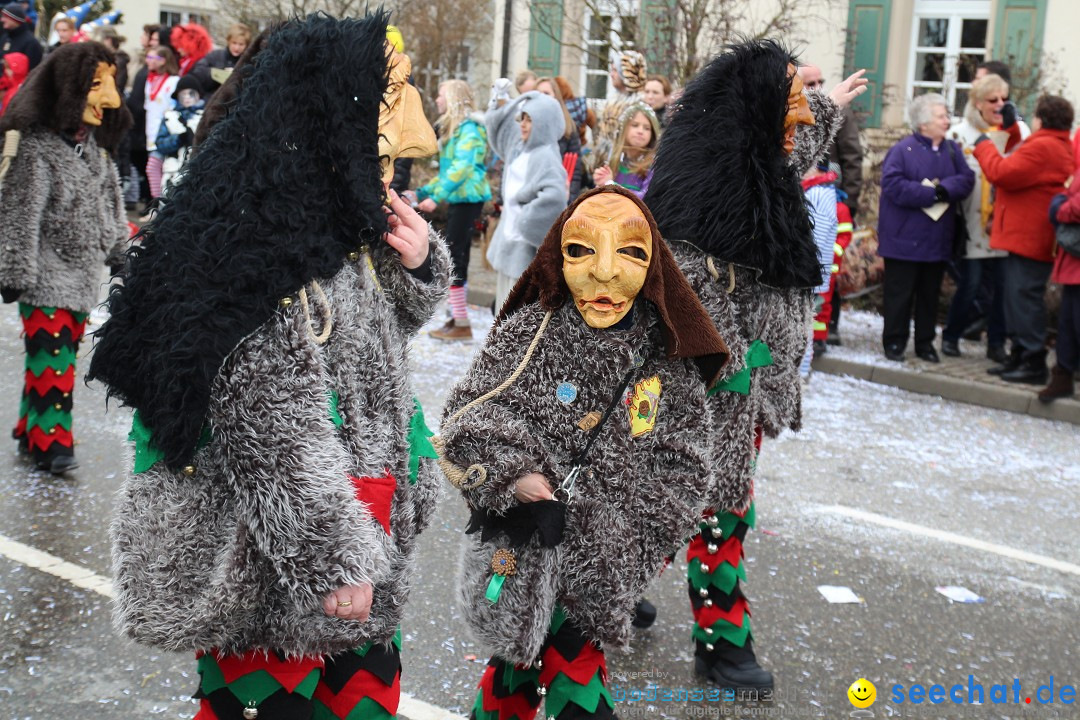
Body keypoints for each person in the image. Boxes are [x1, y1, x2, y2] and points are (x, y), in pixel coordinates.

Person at [87, 13, 449, 719]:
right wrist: (336, 563)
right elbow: (269, 428)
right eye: (387, 99)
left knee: (362, 701)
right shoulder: (249, 238)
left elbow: (362, 344)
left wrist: (414, 266)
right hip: (281, 568)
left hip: (357, 525)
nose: (407, 131)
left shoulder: (327, 216)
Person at [437, 185, 728, 720]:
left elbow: (686, 465)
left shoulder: (664, 358)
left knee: (569, 670)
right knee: (517, 662)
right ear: (557, 256)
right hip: (525, 547)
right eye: (581, 251)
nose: (604, 272)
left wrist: (633, 540)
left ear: (653, 267)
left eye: (631, 253)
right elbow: (468, 416)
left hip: (604, 557)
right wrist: (514, 476)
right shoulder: (529, 332)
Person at [646, 39, 865, 690]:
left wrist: (828, 108)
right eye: (793, 90)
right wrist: (737, 367)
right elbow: (685, 289)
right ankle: (595, 609)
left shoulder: (753, 158)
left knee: (724, 511)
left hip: (749, 380)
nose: (802, 104)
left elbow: (783, 154)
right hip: (698, 384)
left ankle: (720, 639)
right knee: (677, 504)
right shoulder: (702, 184)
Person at [0, 42, 130, 475]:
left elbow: (110, 204)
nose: (109, 99)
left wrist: (119, 252)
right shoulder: (37, 151)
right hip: (44, 278)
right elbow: (21, 214)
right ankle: (52, 444)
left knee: (53, 357)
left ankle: (27, 427)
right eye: (96, 84)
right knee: (55, 364)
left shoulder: (94, 149)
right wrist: (14, 271)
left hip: (80, 280)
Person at [974, 95, 1075, 383]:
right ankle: (1020, 354)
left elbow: (1002, 172)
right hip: (1030, 235)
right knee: (1017, 298)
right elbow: (1021, 154)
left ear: (1041, 119)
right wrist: (1013, 128)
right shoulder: (1052, 143)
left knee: (1024, 298)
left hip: (1030, 237)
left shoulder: (1045, 146)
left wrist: (983, 146)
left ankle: (1032, 361)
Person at [877, 93, 974, 363]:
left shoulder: (952, 149)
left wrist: (944, 190)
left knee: (930, 296)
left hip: (937, 239)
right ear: (923, 123)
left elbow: (966, 179)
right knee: (900, 295)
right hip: (903, 239)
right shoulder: (902, 150)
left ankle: (925, 344)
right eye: (942, 116)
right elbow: (893, 185)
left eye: (946, 115)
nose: (947, 120)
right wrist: (929, 194)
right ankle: (894, 342)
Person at [941, 74, 1029, 362]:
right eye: (993, 100)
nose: (1000, 104)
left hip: (1006, 223)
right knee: (970, 286)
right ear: (977, 103)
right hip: (971, 224)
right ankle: (951, 337)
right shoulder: (959, 132)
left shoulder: (1020, 131)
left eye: (1004, 98)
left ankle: (996, 344)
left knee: (1004, 289)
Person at [403, 79, 492, 341]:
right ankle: (457, 320)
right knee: (455, 259)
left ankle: (460, 322)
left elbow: (461, 169)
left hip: (468, 200)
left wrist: (437, 197)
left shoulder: (470, 131)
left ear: (453, 98)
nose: (437, 100)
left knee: (454, 258)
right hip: (460, 200)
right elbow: (446, 174)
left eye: (441, 95)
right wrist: (421, 193)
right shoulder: (456, 131)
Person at [484, 88, 568, 310]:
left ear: (545, 124)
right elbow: (498, 133)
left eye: (530, 120)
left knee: (514, 310)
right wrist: (500, 102)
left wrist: (526, 220)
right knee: (502, 307)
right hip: (509, 239)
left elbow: (555, 196)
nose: (522, 124)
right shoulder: (520, 149)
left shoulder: (546, 157)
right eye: (522, 118)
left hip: (523, 248)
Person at [1041, 177, 1080, 401]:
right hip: (1074, 260)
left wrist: (1061, 208)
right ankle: (1062, 377)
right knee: (1068, 323)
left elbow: (1072, 205)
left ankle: (1063, 376)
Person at [589, 50, 647, 172]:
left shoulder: (638, 107)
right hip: (605, 169)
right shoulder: (613, 101)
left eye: (615, 70)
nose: (611, 74)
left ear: (627, 74)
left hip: (624, 170)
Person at [592, 100, 659, 199]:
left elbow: (645, 198)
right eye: (635, 125)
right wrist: (601, 182)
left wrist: (611, 185)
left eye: (646, 128)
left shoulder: (653, 164)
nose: (640, 131)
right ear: (623, 129)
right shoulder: (613, 160)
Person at [153, 74, 204, 194]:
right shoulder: (170, 117)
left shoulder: (205, 117)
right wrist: (178, 139)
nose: (187, 97)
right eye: (183, 94)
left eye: (191, 93)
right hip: (173, 171)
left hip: (198, 171)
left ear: (198, 95)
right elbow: (160, 144)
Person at [141, 46, 180, 204]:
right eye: (148, 57)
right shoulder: (150, 80)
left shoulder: (173, 81)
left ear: (163, 61)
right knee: (154, 168)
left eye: (152, 58)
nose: (147, 61)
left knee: (155, 168)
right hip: (151, 132)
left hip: (165, 133)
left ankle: (160, 204)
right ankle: (159, 205)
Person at [536, 75, 585, 198]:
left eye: (546, 93)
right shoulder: (526, 127)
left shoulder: (568, 128)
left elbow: (575, 171)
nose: (542, 97)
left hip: (559, 195)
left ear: (555, 96)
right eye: (538, 93)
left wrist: (570, 199)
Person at [191, 22, 251, 97]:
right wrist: (220, 72)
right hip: (211, 99)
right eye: (234, 43)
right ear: (228, 41)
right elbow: (197, 71)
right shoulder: (215, 55)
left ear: (246, 45)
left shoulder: (249, 62)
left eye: (241, 44)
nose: (237, 48)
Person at [1, 3, 42, 70]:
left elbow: (33, 72)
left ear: (15, 19)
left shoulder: (31, 43)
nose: (2, 19)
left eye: (5, 17)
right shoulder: (5, 38)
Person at [0, 51, 28, 116]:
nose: (6, 71)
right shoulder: (8, 83)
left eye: (8, 68)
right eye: (5, 68)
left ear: (17, 69)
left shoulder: (17, 91)